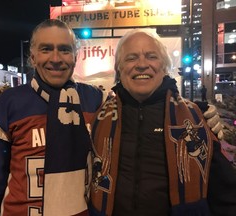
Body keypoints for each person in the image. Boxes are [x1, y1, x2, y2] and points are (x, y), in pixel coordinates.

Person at [89, 30, 236, 216]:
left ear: (164, 67)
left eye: (151, 56)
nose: (142, 64)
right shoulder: (97, 118)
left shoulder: (198, 119)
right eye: (131, 58)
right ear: (119, 68)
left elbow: (226, 197)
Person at [0, 19, 104, 216]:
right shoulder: (10, 103)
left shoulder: (95, 100)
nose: (56, 58)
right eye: (46, 49)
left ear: (76, 57)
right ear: (32, 57)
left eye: (65, 50)